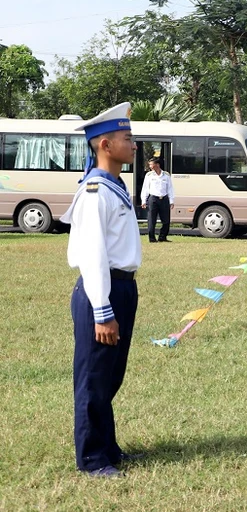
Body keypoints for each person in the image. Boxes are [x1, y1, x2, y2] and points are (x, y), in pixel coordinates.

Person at [60, 102, 142, 478]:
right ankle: (93, 459)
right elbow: (92, 255)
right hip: (102, 290)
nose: (135, 144)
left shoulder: (114, 185)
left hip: (122, 287)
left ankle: (108, 449)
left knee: (110, 375)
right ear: (105, 145)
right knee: (94, 377)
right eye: (127, 138)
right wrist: (102, 310)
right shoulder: (95, 190)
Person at [140, 157, 174, 243]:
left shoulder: (166, 175)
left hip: (164, 199)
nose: (150, 166)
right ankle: (152, 238)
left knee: (166, 221)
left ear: (157, 165)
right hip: (153, 199)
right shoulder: (149, 176)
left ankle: (162, 237)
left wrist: (171, 201)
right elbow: (145, 189)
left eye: (151, 164)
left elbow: (170, 188)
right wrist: (144, 200)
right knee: (152, 220)